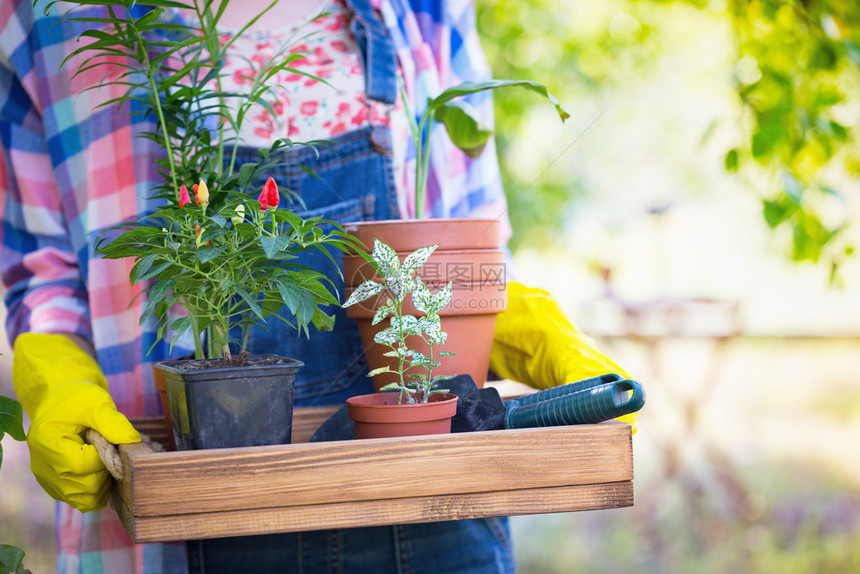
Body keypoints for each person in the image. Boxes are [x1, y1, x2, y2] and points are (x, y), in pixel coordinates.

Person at [0, 0, 633, 572]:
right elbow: (42, 273)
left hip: (436, 501)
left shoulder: (428, 11)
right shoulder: (43, 21)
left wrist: (520, 321)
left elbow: (475, 241)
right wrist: (57, 375)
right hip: (180, 511)